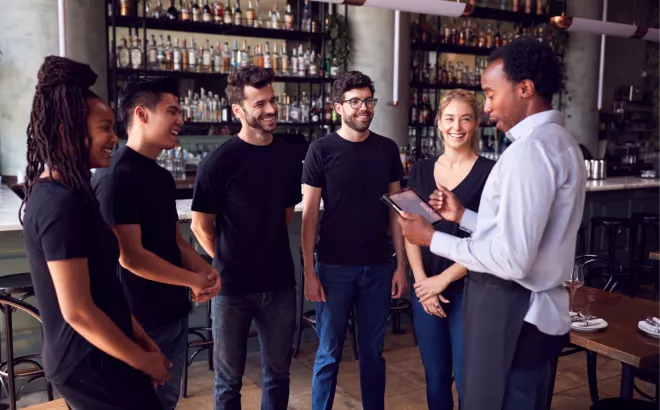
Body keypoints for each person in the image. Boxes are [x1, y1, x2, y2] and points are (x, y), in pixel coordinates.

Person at [398, 37, 586, 410]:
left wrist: (433, 237)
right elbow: (521, 228)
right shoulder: (563, 142)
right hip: (540, 313)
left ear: (525, 89)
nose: (487, 108)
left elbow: (512, 258)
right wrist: (463, 216)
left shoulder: (527, 153)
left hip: (515, 313)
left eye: (490, 94)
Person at [21, 56, 169, 409]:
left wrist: (142, 340)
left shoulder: (73, 193)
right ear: (67, 130)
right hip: (87, 360)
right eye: (104, 127)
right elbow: (78, 311)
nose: (114, 137)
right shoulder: (58, 203)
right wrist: (139, 358)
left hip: (102, 350)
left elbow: (104, 290)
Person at [92, 77, 221, 410]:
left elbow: (174, 241)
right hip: (138, 319)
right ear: (142, 114)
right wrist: (191, 280)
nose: (180, 120)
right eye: (172, 111)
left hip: (172, 312)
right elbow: (130, 257)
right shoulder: (116, 176)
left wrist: (205, 270)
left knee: (166, 400)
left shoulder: (160, 176)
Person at [190, 65, 302, 410]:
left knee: (279, 374)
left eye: (272, 100)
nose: (270, 109)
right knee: (227, 382)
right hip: (233, 288)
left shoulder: (287, 154)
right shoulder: (219, 161)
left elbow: (285, 212)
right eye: (259, 104)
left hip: (280, 282)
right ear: (238, 110)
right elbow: (199, 225)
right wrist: (225, 263)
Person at [301, 71, 407, 410]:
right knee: (329, 352)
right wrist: (309, 271)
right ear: (338, 107)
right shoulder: (320, 150)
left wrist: (400, 265)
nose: (364, 108)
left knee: (373, 353)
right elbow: (310, 215)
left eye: (368, 101)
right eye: (355, 101)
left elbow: (397, 212)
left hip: (378, 265)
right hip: (333, 267)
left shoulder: (387, 149)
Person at [406, 89, 495, 410]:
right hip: (425, 289)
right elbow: (409, 229)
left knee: (471, 379)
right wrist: (422, 284)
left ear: (477, 124)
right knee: (436, 377)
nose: (457, 126)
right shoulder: (420, 170)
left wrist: (442, 281)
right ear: (438, 124)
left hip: (470, 290)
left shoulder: (491, 173)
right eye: (450, 119)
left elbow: (491, 239)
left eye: (465, 119)